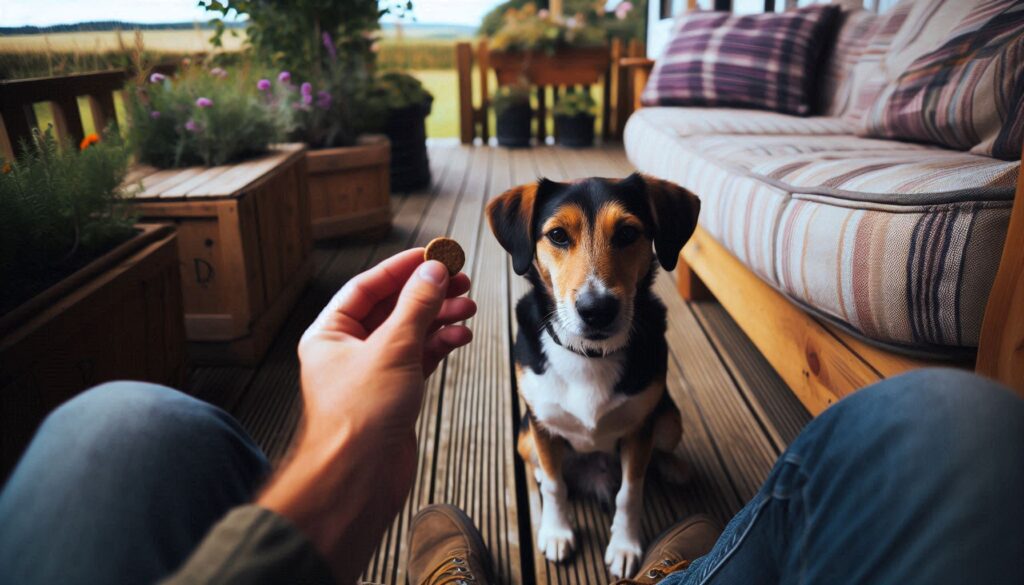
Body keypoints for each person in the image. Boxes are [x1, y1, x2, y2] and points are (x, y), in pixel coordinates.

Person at [0, 248, 1021, 585]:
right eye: (563, 246)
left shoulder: (644, 342)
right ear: (532, 255)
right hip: (560, 439)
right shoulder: (536, 345)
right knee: (957, 431)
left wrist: (333, 475)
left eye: (620, 249)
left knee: (113, 432)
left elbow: (640, 433)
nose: (592, 280)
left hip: (619, 446)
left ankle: (635, 542)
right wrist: (350, 466)